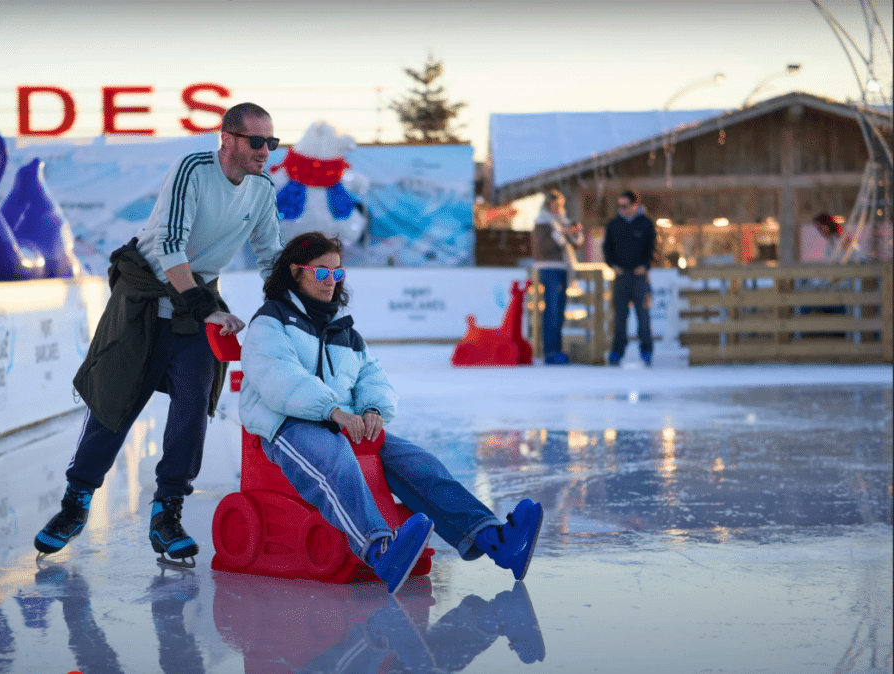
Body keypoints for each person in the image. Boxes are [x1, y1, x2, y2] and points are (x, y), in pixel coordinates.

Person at [34, 102, 285, 567]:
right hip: (146, 298)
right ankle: (75, 502)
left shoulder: (262, 189)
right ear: (226, 139)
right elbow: (169, 245)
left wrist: (290, 306)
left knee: (195, 406)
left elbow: (270, 255)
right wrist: (207, 308)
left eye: (272, 142)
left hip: (195, 306)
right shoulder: (193, 169)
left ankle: (167, 512)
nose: (266, 151)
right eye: (257, 141)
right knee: (115, 402)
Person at [239, 232, 544, 594]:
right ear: (295, 272)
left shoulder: (343, 329)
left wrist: (372, 409)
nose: (331, 282)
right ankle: (379, 549)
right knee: (335, 459)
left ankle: (494, 539)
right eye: (322, 272)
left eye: (337, 274)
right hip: (287, 425)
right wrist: (333, 411)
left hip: (342, 422)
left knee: (417, 462)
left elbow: (371, 374)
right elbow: (279, 378)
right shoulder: (270, 322)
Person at [602, 190, 656, 366]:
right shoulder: (614, 224)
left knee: (643, 315)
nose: (622, 209)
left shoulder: (646, 224)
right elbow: (607, 248)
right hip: (622, 276)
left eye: (625, 206)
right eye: (619, 206)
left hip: (640, 277)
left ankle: (646, 350)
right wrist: (613, 265)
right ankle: (617, 350)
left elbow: (652, 247)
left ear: (635, 205)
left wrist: (645, 265)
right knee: (620, 317)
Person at [532, 189, 584, 364]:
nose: (557, 209)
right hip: (549, 268)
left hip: (563, 268)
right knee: (552, 309)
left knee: (560, 310)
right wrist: (562, 234)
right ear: (548, 205)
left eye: (560, 205)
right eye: (554, 205)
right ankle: (551, 350)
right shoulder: (543, 222)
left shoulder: (562, 222)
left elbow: (575, 244)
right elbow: (543, 248)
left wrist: (574, 232)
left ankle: (557, 348)